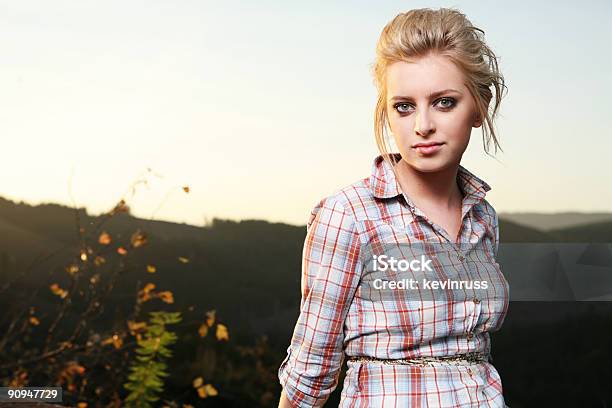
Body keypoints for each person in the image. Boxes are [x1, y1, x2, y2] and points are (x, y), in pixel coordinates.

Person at [278, 7, 509, 407]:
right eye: (404, 106)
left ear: (478, 107)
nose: (422, 125)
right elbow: (310, 370)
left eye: (444, 102)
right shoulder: (349, 214)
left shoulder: (483, 216)